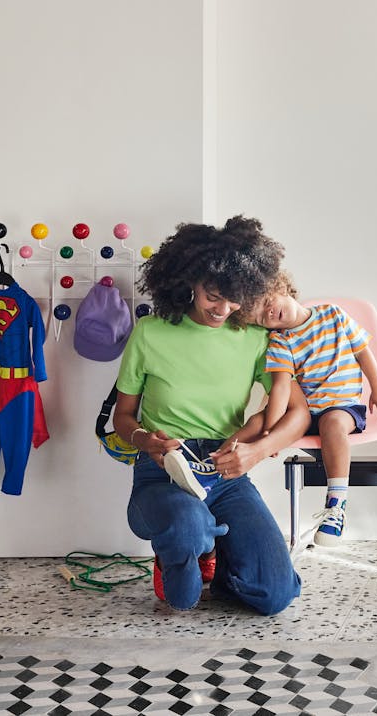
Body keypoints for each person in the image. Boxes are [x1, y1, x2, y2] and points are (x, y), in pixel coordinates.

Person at [113, 216, 306, 614]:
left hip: (225, 472)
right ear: (190, 283)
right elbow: (124, 416)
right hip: (162, 471)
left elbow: (299, 413)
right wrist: (144, 440)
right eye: (213, 296)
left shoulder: (256, 339)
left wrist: (257, 451)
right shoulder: (149, 332)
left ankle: (209, 550)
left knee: (275, 596)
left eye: (235, 298)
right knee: (182, 596)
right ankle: (184, 540)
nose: (223, 309)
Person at [240, 271, 377, 546]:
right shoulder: (281, 341)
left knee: (332, 424)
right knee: (256, 420)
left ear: (281, 286)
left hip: (343, 407)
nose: (268, 312)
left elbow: (362, 352)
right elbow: (281, 388)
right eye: (262, 317)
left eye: (266, 301)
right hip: (308, 411)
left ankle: (336, 505)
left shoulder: (332, 315)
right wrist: (270, 431)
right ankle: (213, 462)